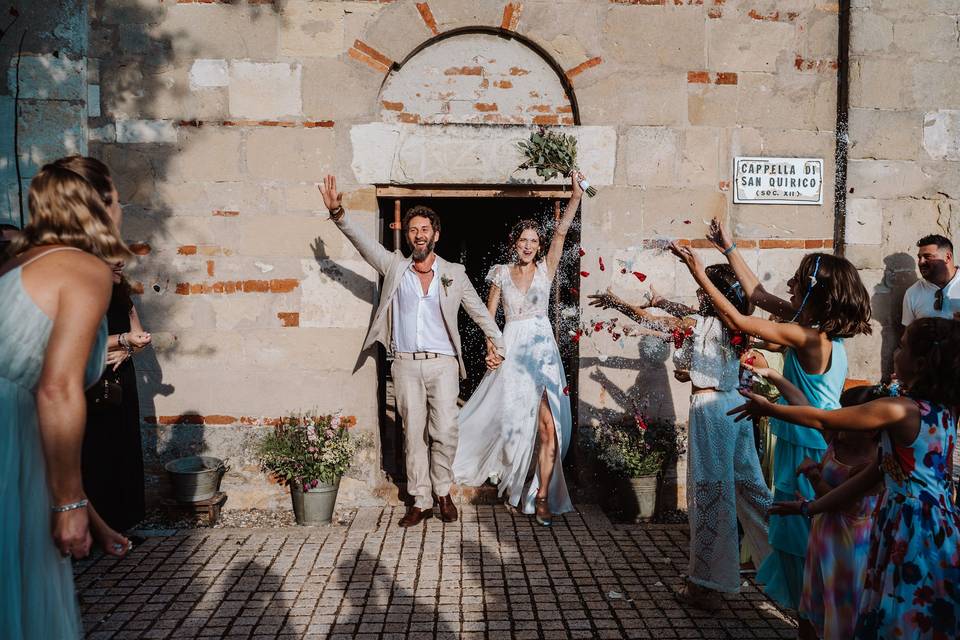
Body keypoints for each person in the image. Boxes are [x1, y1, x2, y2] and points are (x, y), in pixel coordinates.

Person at [674, 220, 873, 612]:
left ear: (816, 298)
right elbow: (757, 294)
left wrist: (699, 273)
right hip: (814, 437)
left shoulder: (806, 335)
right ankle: (813, 606)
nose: (787, 288)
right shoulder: (819, 331)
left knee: (804, 532)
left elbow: (740, 320)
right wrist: (728, 248)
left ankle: (815, 611)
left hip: (807, 442)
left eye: (796, 283)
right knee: (795, 523)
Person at [732, 317, 960, 640]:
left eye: (903, 346)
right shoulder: (947, 411)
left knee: (903, 622)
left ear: (921, 363)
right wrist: (811, 508)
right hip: (938, 529)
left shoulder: (901, 410)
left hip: (913, 533)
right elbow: (868, 479)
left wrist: (771, 410)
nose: (895, 352)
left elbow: (825, 418)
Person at [320, 175, 506, 528]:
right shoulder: (395, 267)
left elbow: (480, 312)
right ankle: (420, 500)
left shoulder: (454, 273)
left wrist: (502, 345)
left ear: (436, 234)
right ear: (407, 237)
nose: (418, 235)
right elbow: (363, 245)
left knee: (446, 429)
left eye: (424, 229)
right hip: (405, 364)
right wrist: (339, 213)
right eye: (412, 230)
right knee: (413, 433)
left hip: (443, 365)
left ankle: (443, 490)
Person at [0, 160, 133, 639]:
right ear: (97, 206)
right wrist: (65, 508)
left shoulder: (21, 261)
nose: (121, 212)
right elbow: (55, 389)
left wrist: (88, 513)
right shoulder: (84, 267)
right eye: (116, 200)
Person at [588, 262, 772, 607]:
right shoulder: (736, 326)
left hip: (710, 412)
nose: (700, 294)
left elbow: (656, 322)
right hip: (737, 406)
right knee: (750, 487)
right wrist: (660, 300)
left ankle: (707, 586)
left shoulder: (698, 324)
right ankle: (791, 554)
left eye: (704, 290)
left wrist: (616, 302)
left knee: (710, 495)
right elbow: (679, 313)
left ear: (712, 295)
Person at [453, 172, 583, 525]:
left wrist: (574, 196)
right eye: (523, 240)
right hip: (511, 349)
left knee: (548, 426)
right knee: (511, 422)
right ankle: (512, 480)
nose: (528, 245)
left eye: (533, 240)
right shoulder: (499, 273)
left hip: (541, 353)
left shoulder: (546, 269)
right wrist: (490, 349)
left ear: (539, 246)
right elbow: (486, 316)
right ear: (515, 243)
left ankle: (541, 496)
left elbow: (560, 232)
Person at [748, 367, 882, 640]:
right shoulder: (837, 437)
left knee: (842, 615)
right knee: (810, 608)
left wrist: (813, 475)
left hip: (848, 548)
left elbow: (836, 502)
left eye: (848, 418)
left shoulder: (871, 466)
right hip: (822, 537)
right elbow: (805, 406)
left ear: (870, 430)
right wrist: (773, 375)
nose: (839, 421)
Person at [901, 234, 959, 325]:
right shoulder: (912, 293)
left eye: (927, 256)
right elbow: (908, 336)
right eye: (919, 257)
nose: (921, 262)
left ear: (948, 257)